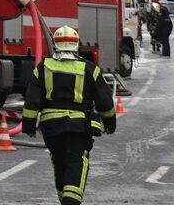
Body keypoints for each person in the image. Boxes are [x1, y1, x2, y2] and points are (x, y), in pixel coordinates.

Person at [22, 25, 115, 205]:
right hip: (78, 127)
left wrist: (29, 125)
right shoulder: (90, 69)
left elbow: (32, 100)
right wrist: (110, 123)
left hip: (51, 128)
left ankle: (65, 199)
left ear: (55, 44)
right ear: (76, 45)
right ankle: (69, 203)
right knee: (76, 164)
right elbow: (105, 102)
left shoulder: (43, 67)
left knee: (60, 163)